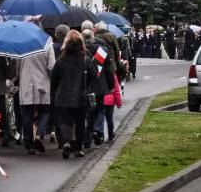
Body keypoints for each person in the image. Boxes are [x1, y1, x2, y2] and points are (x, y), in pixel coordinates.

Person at [50, 30, 97, 159]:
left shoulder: (61, 60)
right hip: (81, 95)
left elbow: (54, 79)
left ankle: (66, 142)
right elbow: (93, 76)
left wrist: (53, 93)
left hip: (63, 95)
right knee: (80, 122)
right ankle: (78, 148)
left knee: (65, 120)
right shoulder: (86, 59)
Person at [17, 36, 56, 155]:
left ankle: (29, 143)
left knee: (26, 114)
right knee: (45, 111)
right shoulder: (47, 45)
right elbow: (52, 66)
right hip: (42, 82)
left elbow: (17, 67)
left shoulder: (22, 45)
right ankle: (38, 134)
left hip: (26, 83)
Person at [102, 74, 123, 142]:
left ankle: (100, 136)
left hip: (100, 99)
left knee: (100, 118)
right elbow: (116, 90)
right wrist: (119, 103)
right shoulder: (112, 75)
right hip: (109, 100)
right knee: (109, 119)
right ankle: (111, 135)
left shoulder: (98, 73)